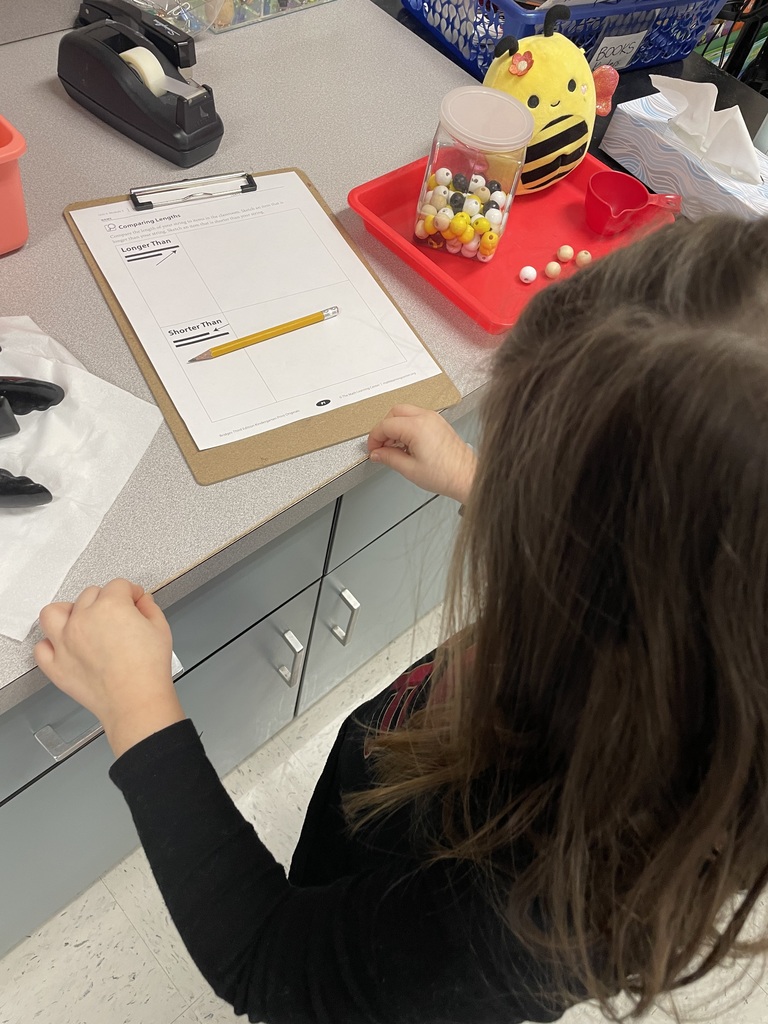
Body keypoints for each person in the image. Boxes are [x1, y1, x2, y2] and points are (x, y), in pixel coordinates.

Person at [35, 213, 768, 1024]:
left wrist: (136, 706)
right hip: (383, 826)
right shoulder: (671, 672)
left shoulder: (505, 925)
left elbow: (264, 955)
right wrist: (489, 487)